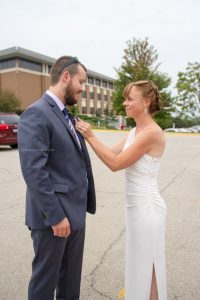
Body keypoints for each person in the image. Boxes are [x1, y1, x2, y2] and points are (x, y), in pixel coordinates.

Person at [76, 80, 167, 300]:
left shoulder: (151, 133)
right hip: (135, 208)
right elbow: (110, 152)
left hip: (147, 208)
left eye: (130, 99)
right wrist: (82, 138)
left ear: (145, 102)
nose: (125, 103)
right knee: (140, 265)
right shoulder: (137, 131)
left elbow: (115, 164)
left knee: (149, 266)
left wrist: (90, 135)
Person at [18, 56, 96, 300]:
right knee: (45, 282)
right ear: (65, 77)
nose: (83, 88)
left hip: (75, 214)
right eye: (81, 81)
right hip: (53, 219)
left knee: (70, 281)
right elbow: (34, 171)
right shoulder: (36, 113)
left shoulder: (65, 115)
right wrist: (56, 216)